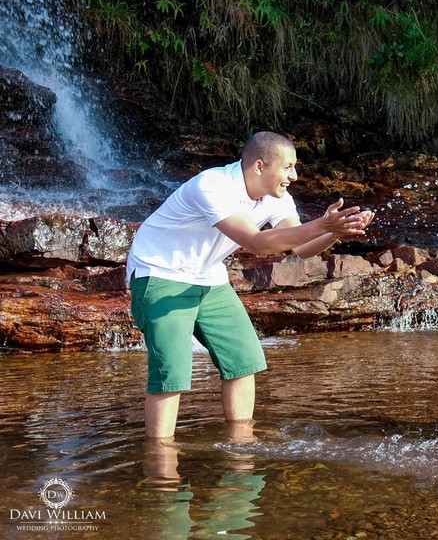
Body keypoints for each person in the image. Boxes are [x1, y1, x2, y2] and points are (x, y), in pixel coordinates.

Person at [127, 131, 374, 440]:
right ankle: (161, 462)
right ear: (259, 166)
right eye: (288, 167)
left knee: (243, 361)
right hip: (161, 272)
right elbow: (257, 243)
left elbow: (301, 246)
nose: (294, 176)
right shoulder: (213, 185)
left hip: (207, 275)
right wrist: (323, 224)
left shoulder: (278, 198)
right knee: (172, 374)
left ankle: (241, 443)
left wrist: (337, 231)